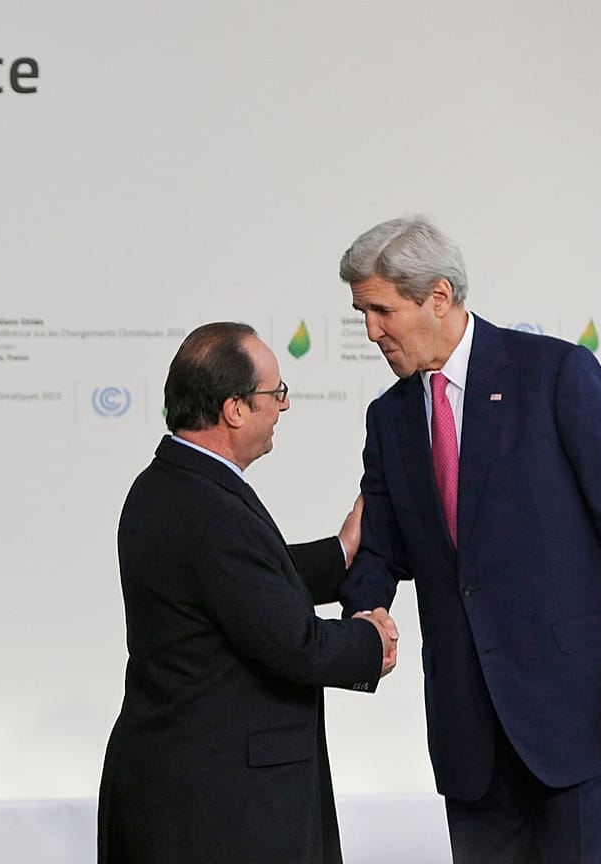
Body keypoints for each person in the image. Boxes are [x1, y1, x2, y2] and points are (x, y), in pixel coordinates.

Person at [339, 216, 601, 863]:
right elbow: (381, 548)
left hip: (581, 726)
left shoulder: (556, 374)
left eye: (381, 310)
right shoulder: (391, 416)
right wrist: (363, 617)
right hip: (470, 739)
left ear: (437, 297)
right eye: (362, 313)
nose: (371, 331)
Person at [97, 322, 397, 864]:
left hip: (183, 788)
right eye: (275, 393)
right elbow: (294, 644)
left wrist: (340, 554)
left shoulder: (168, 484)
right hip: (222, 807)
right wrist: (372, 642)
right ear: (235, 408)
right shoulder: (212, 512)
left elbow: (240, 584)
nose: (283, 406)